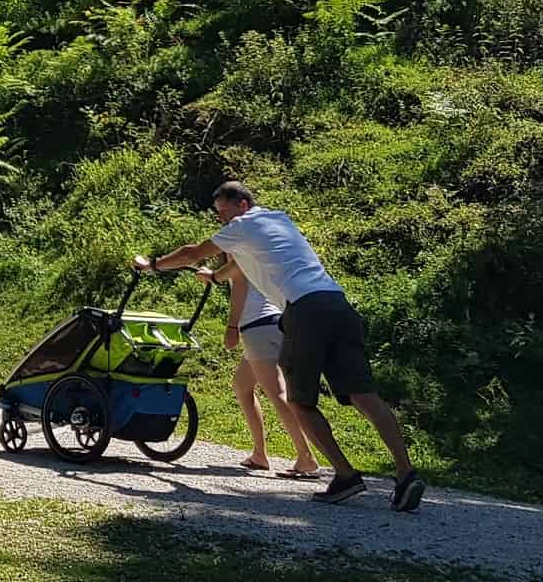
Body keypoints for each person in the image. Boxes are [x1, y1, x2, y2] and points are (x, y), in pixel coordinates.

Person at [137, 181, 425, 511]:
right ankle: (406, 473)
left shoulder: (242, 225)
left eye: (223, 212)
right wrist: (216, 278)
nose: (221, 220)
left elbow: (192, 252)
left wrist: (153, 265)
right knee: (364, 395)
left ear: (242, 205)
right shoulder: (278, 220)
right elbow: (241, 265)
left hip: (304, 311)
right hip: (338, 304)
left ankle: (345, 475)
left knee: (300, 402)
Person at [194, 259, 321, 478]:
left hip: (257, 326)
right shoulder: (259, 251)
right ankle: (259, 454)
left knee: (277, 393)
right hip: (275, 322)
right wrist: (214, 275)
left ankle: (306, 457)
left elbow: (240, 285)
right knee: (242, 386)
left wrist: (232, 327)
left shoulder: (238, 248)